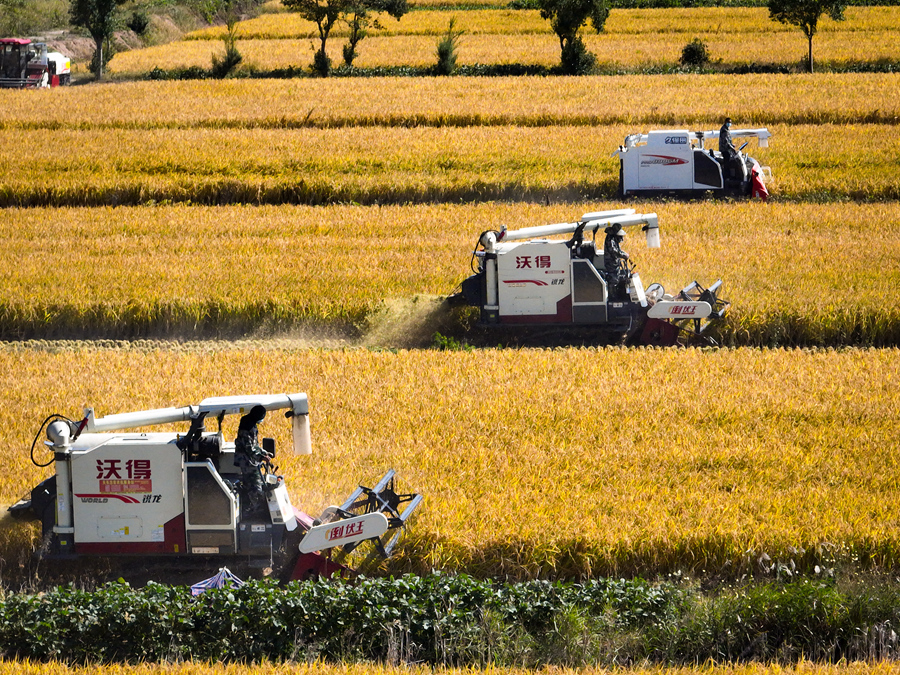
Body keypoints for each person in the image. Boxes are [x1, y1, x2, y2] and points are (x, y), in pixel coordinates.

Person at [234, 405, 272, 513]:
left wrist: (264, 452)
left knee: (252, 484)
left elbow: (254, 445)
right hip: (247, 461)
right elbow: (249, 448)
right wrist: (261, 457)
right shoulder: (247, 427)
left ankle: (254, 507)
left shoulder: (250, 423)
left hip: (249, 460)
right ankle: (257, 510)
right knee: (255, 486)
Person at [603, 225, 630, 299]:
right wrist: (623, 255)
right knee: (613, 280)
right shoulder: (610, 240)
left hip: (614, 263)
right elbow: (614, 251)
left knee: (617, 278)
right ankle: (612, 297)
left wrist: (623, 254)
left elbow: (618, 250)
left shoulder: (613, 239)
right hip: (611, 263)